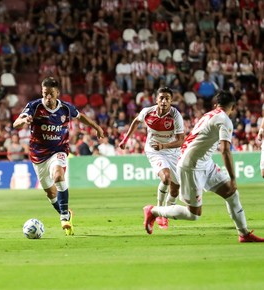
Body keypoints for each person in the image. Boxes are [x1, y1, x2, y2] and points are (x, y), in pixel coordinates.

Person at [143, 91, 264, 243]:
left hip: (204, 163)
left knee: (231, 193)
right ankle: (153, 211)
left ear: (216, 105)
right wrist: (233, 178)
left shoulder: (210, 114)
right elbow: (225, 150)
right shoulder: (225, 120)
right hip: (191, 166)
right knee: (194, 214)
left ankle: (244, 234)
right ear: (232, 108)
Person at [13, 77, 104, 236]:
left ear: (57, 93)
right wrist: (23, 121)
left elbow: (80, 116)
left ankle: (64, 218)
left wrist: (96, 127)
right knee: (50, 193)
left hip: (59, 150)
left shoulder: (66, 108)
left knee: (58, 175)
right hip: (39, 155)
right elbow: (16, 124)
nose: (48, 97)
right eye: (45, 93)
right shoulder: (34, 106)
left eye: (51, 94)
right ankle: (65, 212)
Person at [119, 87, 185, 229]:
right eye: (161, 98)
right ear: (156, 100)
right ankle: (159, 212)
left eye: (167, 98)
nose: (164, 101)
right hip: (154, 150)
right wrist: (125, 140)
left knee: (175, 188)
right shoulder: (147, 112)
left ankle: (165, 213)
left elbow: (181, 140)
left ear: (171, 101)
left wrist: (164, 146)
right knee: (166, 178)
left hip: (172, 151)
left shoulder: (176, 116)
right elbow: (136, 122)